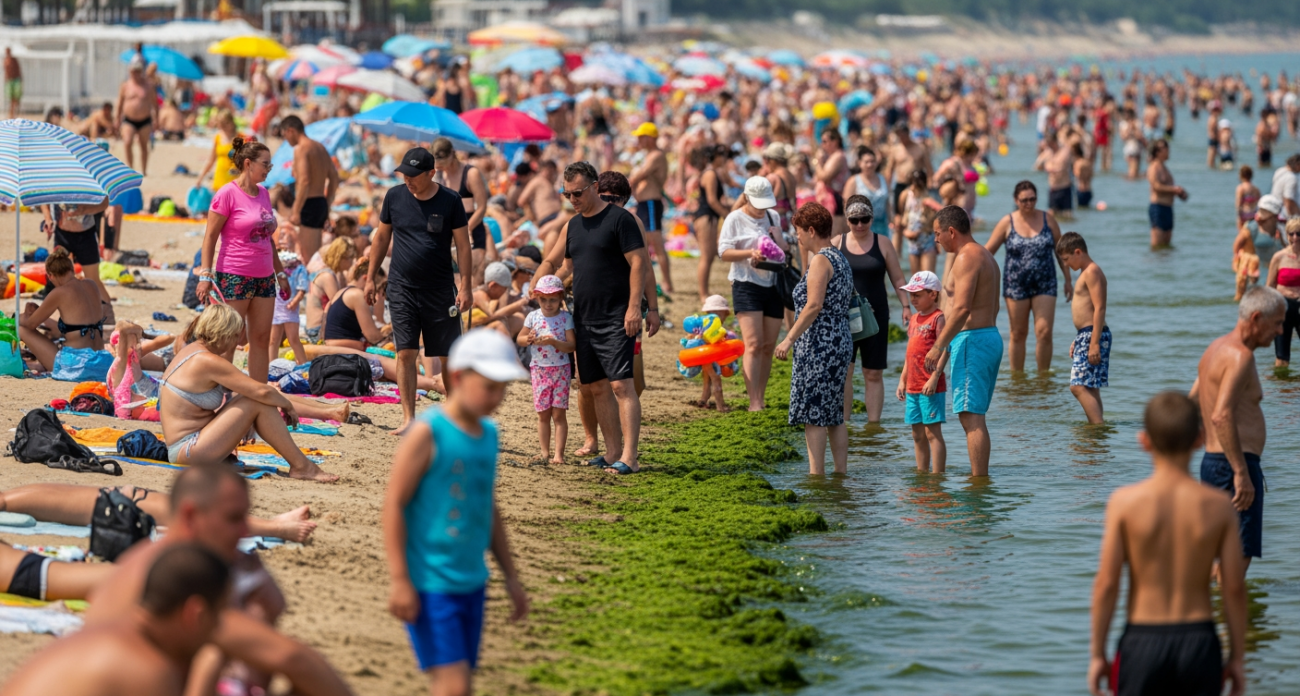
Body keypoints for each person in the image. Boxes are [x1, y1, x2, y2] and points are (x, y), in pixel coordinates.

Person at [84, 466, 354, 696]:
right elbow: (295, 659)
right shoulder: (170, 574)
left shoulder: (161, 558)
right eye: (234, 518)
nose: (244, 530)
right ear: (190, 516)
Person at [384, 330, 529, 696]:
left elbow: (487, 506)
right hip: (431, 583)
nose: (497, 398)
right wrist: (400, 579)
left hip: (472, 581)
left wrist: (511, 576)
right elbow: (394, 504)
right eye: (490, 387)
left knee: (456, 683)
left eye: (503, 389)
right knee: (454, 685)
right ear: (459, 377)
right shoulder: (428, 432)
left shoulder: (489, 434)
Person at [1087, 392, 1247, 696]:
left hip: (1142, 640)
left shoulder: (1124, 503)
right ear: (1199, 438)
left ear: (1144, 441)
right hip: (1199, 640)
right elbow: (1234, 588)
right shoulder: (1219, 506)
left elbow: (1107, 584)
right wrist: (1237, 658)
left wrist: (1097, 655)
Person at [535, 161, 658, 475]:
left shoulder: (621, 219)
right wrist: (540, 286)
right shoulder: (573, 225)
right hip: (583, 317)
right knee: (596, 386)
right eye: (567, 194)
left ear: (593, 187)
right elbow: (562, 265)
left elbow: (639, 264)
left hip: (617, 316)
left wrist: (638, 308)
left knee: (621, 385)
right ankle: (612, 451)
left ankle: (630, 457)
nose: (572, 199)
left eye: (577, 193)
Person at [2, 544, 230, 696]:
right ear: (195, 614)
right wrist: (207, 673)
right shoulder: (146, 667)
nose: (221, 628)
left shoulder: (113, 635)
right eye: (218, 617)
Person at [158, 304, 337, 482]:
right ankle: (302, 466)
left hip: (191, 444)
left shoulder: (192, 351)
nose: (237, 341)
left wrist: (240, 423)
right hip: (188, 451)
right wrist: (287, 405)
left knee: (251, 398)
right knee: (256, 401)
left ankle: (303, 463)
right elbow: (261, 391)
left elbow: (249, 390)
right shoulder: (206, 360)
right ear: (225, 333)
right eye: (236, 335)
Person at [367, 147, 471, 436]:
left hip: (440, 290)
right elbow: (381, 237)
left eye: (414, 175)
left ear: (431, 173)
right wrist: (369, 278)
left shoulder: (450, 200)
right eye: (404, 174)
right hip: (401, 288)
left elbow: (463, 246)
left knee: (448, 355)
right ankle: (408, 418)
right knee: (406, 353)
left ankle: (452, 416)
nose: (408, 179)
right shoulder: (394, 196)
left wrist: (466, 286)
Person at [1190, 285, 1286, 579]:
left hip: (1214, 463)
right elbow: (1221, 415)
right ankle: (1224, 609)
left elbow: (1192, 401)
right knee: (1236, 561)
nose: (1281, 331)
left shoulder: (1215, 349)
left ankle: (1199, 604)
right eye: (1277, 323)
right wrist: (1241, 473)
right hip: (1234, 464)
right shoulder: (1241, 357)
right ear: (1256, 318)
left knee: (1219, 557)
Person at [195, 136, 290, 385]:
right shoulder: (227, 194)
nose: (269, 169)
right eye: (265, 164)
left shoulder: (264, 194)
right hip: (234, 274)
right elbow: (210, 237)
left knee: (260, 339)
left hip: (264, 278)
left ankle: (257, 394)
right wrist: (205, 275)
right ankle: (220, 392)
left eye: (270, 164)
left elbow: (267, 237)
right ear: (248, 163)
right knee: (228, 339)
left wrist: (280, 273)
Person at [775, 202, 853, 475]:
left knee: (814, 414)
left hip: (820, 345)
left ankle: (816, 476)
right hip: (839, 340)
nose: (797, 237)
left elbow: (813, 305)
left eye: (798, 231)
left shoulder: (821, 260)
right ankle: (840, 474)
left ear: (811, 230)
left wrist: (788, 339)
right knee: (834, 415)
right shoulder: (839, 257)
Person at [927, 205, 1002, 477]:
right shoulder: (986, 255)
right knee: (974, 415)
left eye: (937, 234)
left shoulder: (967, 256)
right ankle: (980, 478)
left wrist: (938, 346)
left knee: (971, 417)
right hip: (988, 337)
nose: (936, 240)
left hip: (973, 340)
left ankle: (978, 483)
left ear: (951, 231)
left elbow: (961, 309)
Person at [834, 195, 910, 422]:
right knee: (845, 371)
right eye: (854, 220)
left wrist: (906, 306)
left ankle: (874, 427)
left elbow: (898, 278)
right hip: (844, 317)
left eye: (865, 219)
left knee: (873, 372)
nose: (860, 225)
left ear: (872, 218)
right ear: (847, 219)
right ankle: (844, 424)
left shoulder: (883, 243)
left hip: (876, 317)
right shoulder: (836, 243)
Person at [717, 176, 789, 412]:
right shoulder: (735, 218)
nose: (761, 209)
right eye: (757, 204)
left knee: (768, 345)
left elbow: (783, 251)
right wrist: (750, 253)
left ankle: (761, 395)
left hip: (773, 283)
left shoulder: (773, 216)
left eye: (764, 203)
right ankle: (754, 401)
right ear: (747, 198)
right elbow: (723, 252)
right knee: (754, 344)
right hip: (746, 283)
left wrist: (780, 240)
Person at [985, 181, 1070, 372]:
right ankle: (1018, 380)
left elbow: (1061, 252)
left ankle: (1043, 378)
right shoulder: (1007, 222)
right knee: (1018, 333)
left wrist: (1068, 280)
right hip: (1015, 285)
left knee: (1044, 332)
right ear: (1016, 200)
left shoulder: (1048, 219)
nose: (1029, 203)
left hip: (1045, 282)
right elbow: (987, 252)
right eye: (1024, 200)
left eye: (1032, 199)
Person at [18, 247, 112, 380]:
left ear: (50, 276)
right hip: (101, 361)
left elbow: (30, 325)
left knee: (21, 329)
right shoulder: (91, 285)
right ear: (72, 270)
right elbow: (76, 325)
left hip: (77, 367)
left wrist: (21, 316)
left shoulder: (60, 292)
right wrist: (40, 314)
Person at [518, 274, 575, 464]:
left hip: (561, 370)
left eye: (553, 300)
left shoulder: (565, 318)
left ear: (560, 298)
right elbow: (520, 339)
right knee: (543, 414)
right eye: (543, 299)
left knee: (559, 414)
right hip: (539, 370)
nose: (548, 304)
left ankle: (558, 454)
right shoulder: (533, 317)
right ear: (537, 298)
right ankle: (544, 452)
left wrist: (553, 342)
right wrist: (528, 339)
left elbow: (571, 345)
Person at [895, 271, 948, 474]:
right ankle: (922, 473)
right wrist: (902, 380)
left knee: (932, 433)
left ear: (933, 294)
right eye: (911, 295)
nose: (913, 299)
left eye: (917, 295)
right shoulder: (914, 319)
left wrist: (934, 378)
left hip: (930, 386)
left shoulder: (938, 318)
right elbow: (910, 354)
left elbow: (945, 350)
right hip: (913, 386)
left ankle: (937, 476)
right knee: (917, 434)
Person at [1057, 232, 1109, 424]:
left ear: (1077, 252)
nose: (1065, 265)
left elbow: (1099, 307)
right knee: (1090, 386)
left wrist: (1093, 342)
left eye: (1066, 259)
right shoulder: (1085, 272)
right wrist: (1079, 338)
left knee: (1077, 386)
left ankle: (1097, 426)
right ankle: (1096, 430)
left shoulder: (1092, 271)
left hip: (1092, 335)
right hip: (1086, 334)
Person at [432, 138, 492, 284]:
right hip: (449, 235)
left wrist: (465, 230)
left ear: (452, 154)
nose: (440, 168)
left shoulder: (470, 174)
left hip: (471, 230)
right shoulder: (440, 175)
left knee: (470, 281)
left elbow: (482, 207)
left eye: (442, 164)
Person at [281, 115, 339, 265]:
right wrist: (328, 202)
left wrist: (296, 210)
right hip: (320, 202)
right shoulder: (320, 147)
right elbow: (334, 177)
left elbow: (304, 181)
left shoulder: (301, 149)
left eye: (285, 135)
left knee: (309, 259)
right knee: (315, 254)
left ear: (291, 130)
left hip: (309, 203)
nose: (286, 140)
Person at [41, 195, 112, 310]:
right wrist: (47, 218)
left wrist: (85, 210)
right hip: (62, 234)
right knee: (59, 278)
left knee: (93, 280)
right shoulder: (55, 183)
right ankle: (64, 316)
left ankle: (109, 315)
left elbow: (104, 203)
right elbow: (43, 196)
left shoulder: (89, 183)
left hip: (85, 234)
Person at [628, 122, 674, 293]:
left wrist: (630, 182)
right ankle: (648, 282)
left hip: (651, 204)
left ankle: (667, 283)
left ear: (650, 138)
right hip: (645, 204)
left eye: (641, 137)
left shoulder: (656, 155)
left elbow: (638, 176)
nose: (638, 140)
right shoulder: (648, 155)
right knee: (643, 245)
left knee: (657, 244)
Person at [693, 144, 732, 300]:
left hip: (709, 217)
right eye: (721, 155)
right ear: (714, 157)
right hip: (705, 217)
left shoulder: (714, 173)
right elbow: (712, 201)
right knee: (706, 256)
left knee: (709, 256)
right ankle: (703, 294)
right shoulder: (710, 174)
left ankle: (704, 292)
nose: (724, 159)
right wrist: (728, 216)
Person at [1233, 193, 1284, 301]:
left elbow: (1285, 248)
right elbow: (1237, 245)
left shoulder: (1280, 230)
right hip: (1254, 270)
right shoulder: (1251, 228)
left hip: (1272, 269)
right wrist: (1239, 260)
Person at [306, 236, 355, 344]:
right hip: (318, 330)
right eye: (350, 257)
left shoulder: (336, 274)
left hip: (320, 327)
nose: (352, 261)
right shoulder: (327, 276)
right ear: (340, 257)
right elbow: (338, 306)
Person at [1266, 217, 1300, 366]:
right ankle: (1281, 381)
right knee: (1281, 357)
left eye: (1299, 233)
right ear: (1286, 235)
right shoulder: (1278, 257)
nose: (1295, 237)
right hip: (1283, 307)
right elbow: (1269, 287)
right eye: (1291, 234)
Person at [116, 55, 156, 175]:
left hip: (145, 119)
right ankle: (130, 168)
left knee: (143, 145)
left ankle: (144, 170)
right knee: (127, 142)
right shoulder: (125, 86)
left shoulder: (148, 86)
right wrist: (117, 119)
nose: (136, 73)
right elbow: (120, 103)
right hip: (129, 119)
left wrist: (157, 119)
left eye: (138, 71)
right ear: (130, 71)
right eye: (134, 71)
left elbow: (155, 104)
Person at [694, 294, 734, 412]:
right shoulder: (705, 329)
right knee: (716, 380)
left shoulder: (721, 330)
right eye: (712, 314)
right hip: (708, 359)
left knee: (707, 380)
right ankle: (720, 405)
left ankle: (703, 399)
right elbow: (696, 339)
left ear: (726, 315)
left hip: (714, 360)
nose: (715, 317)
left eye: (718, 314)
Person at [842, 145, 891, 241]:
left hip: (882, 227)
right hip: (861, 227)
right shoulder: (853, 181)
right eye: (866, 162)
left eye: (872, 161)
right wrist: (851, 224)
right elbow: (846, 205)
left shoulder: (883, 179)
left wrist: (891, 220)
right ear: (860, 163)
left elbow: (887, 203)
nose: (870, 165)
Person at [1147, 139, 1188, 248]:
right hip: (1158, 208)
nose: (1168, 150)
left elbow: (1168, 187)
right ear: (1157, 152)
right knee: (1157, 246)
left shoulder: (1164, 167)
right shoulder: (1154, 167)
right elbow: (1156, 186)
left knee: (1166, 246)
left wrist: (1179, 193)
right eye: (1165, 148)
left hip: (1168, 208)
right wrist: (1173, 190)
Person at [270, 250, 308, 365]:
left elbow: (302, 288)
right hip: (276, 306)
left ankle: (303, 364)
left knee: (293, 339)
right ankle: (272, 365)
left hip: (290, 307)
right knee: (273, 340)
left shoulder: (298, 268)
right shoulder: (272, 266)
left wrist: (295, 301)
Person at [195, 110, 241, 195]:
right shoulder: (218, 137)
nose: (222, 126)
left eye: (225, 123)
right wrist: (200, 178)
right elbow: (211, 160)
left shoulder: (241, 138)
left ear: (231, 122)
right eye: (220, 124)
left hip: (235, 181)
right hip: (219, 179)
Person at [899, 170, 937, 272]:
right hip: (912, 242)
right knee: (916, 279)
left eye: (917, 184)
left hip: (927, 239)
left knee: (928, 277)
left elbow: (939, 214)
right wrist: (905, 232)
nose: (914, 187)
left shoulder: (928, 198)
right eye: (912, 183)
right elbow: (902, 218)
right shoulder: (905, 195)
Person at [1269, 153, 1300, 220]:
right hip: (1285, 215)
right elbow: (1288, 200)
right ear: (1298, 165)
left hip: (1275, 209)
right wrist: (1297, 216)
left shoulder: (1279, 171)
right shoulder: (1291, 178)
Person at [4, 47, 21, 120]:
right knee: (11, 98)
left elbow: (18, 69)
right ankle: (12, 113)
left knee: (16, 98)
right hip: (9, 81)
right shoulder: (5, 60)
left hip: (15, 80)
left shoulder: (13, 59)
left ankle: (14, 112)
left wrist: (20, 79)